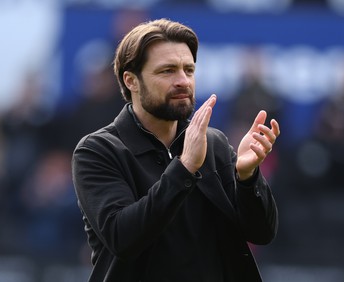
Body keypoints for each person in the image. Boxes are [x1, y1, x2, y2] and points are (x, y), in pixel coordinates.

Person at [72, 18, 280, 282]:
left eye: (189, 70)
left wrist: (247, 177)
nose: (183, 81)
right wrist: (183, 168)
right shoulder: (98, 150)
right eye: (167, 71)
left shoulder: (214, 144)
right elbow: (123, 239)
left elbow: (262, 233)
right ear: (131, 81)